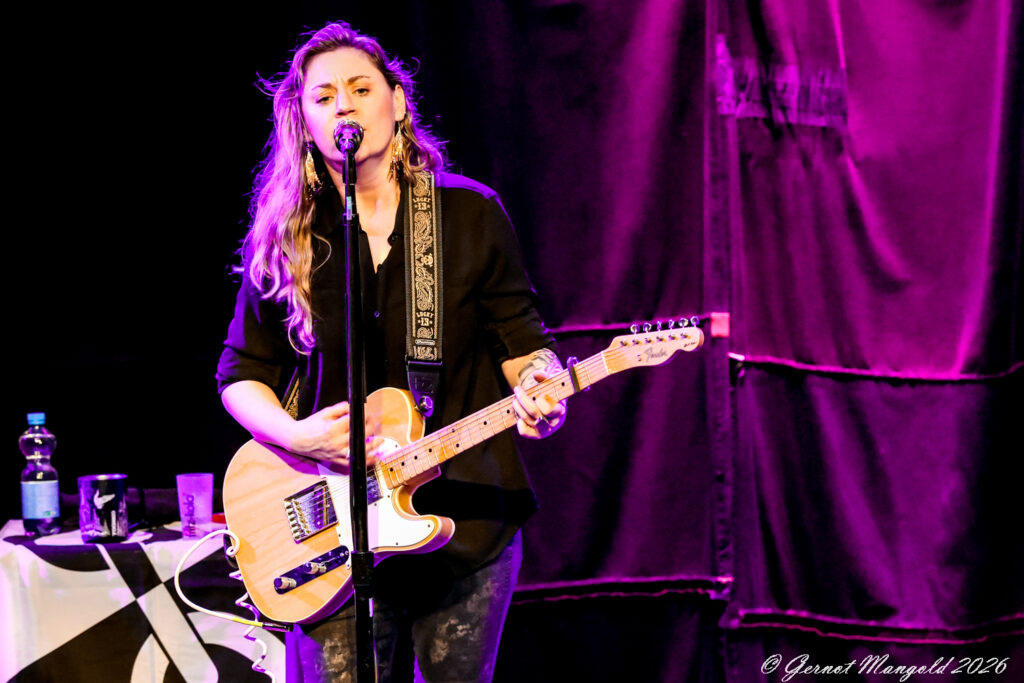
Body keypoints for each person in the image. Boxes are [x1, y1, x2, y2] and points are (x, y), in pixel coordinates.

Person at [216, 21, 566, 683]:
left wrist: (541, 387)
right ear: (304, 121)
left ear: (397, 102)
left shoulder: (468, 214)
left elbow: (524, 342)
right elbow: (241, 373)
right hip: (330, 533)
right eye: (323, 97)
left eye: (360, 88)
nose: (344, 106)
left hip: (464, 521)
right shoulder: (289, 233)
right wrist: (294, 435)